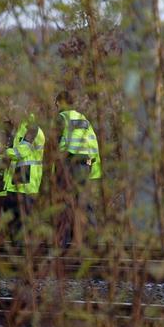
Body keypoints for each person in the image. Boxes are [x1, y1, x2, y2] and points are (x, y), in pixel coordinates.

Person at [54, 91, 102, 247]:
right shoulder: (84, 120)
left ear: (60, 103)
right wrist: (94, 170)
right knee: (84, 202)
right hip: (85, 165)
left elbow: (54, 145)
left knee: (66, 202)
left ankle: (66, 241)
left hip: (69, 165)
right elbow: (93, 144)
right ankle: (93, 238)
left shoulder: (62, 118)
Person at [0, 112, 45, 242]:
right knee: (13, 221)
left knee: (24, 222)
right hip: (16, 183)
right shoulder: (19, 129)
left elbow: (22, 152)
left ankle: (25, 254)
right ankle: (17, 252)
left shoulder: (32, 128)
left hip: (27, 183)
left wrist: (3, 152)